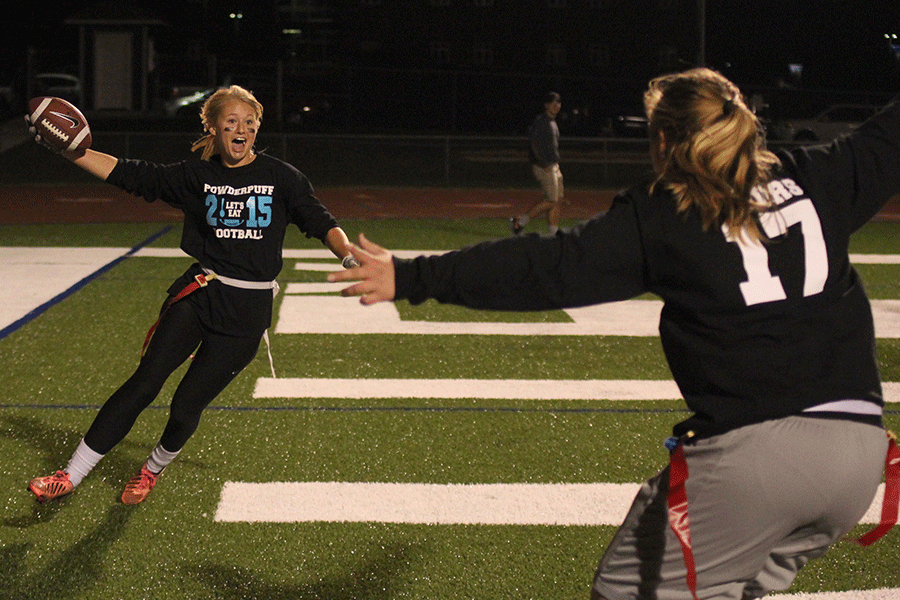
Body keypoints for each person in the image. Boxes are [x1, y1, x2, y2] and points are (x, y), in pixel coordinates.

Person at [329, 68, 900, 599]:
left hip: (759, 456)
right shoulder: (818, 175)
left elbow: (543, 270)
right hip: (857, 454)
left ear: (664, 141)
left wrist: (411, 275)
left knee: (627, 590)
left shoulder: (666, 213)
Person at [28, 85, 359, 505]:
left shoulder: (282, 177)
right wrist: (70, 151)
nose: (241, 130)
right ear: (214, 128)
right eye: (231, 122)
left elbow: (321, 220)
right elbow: (131, 174)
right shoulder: (196, 176)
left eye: (249, 123)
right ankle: (70, 475)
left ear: (257, 129)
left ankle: (151, 469)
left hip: (246, 314)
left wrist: (348, 255)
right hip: (201, 294)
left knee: (185, 407)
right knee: (144, 383)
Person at [510, 91, 565, 235]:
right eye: (553, 103)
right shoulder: (541, 121)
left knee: (557, 200)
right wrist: (543, 163)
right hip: (545, 166)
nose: (556, 106)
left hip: (554, 165)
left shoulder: (553, 122)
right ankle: (520, 222)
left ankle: (553, 233)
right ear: (546, 105)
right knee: (551, 200)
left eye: (558, 103)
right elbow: (534, 144)